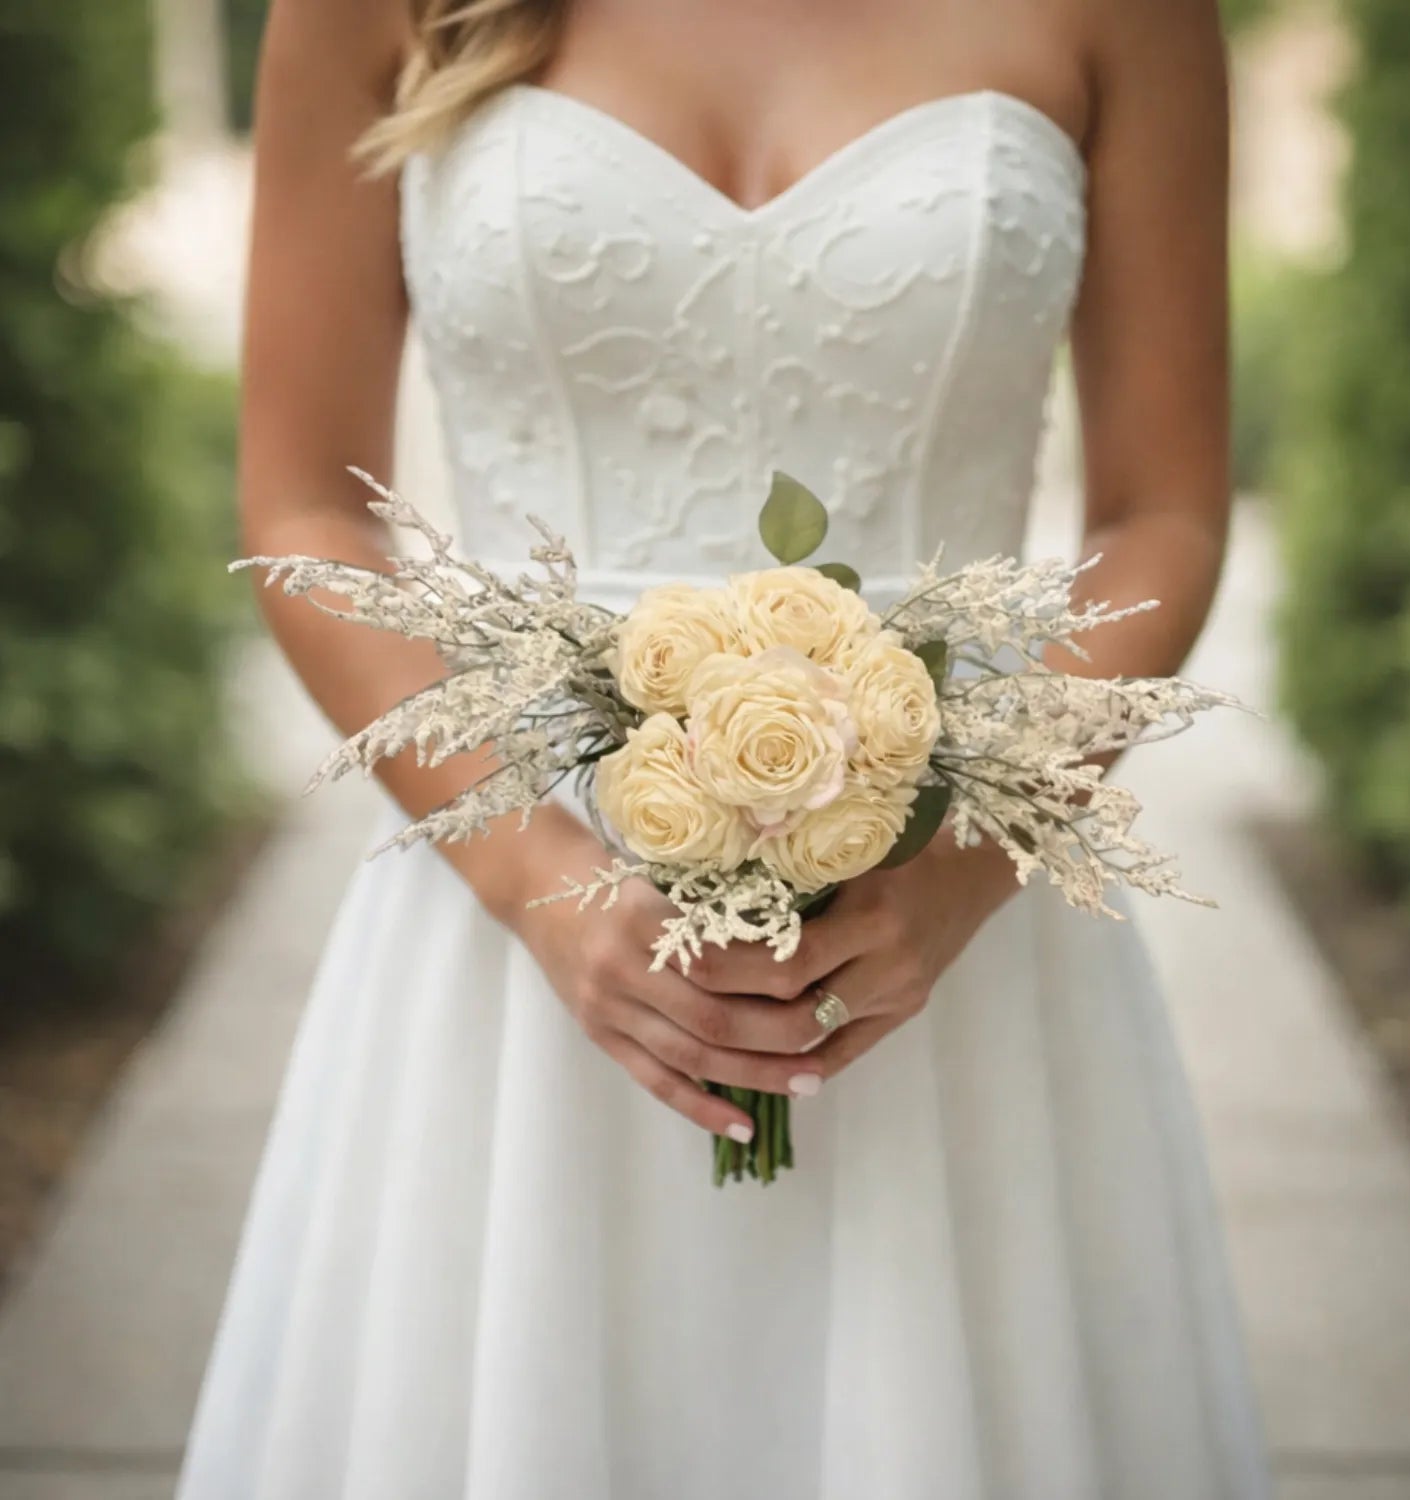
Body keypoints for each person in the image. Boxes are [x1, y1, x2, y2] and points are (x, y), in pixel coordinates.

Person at [177, 0, 1274, 1494]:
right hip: (512, 917)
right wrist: (532, 878)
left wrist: (960, 860)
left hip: (962, 919)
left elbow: (1164, 516)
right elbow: (303, 504)